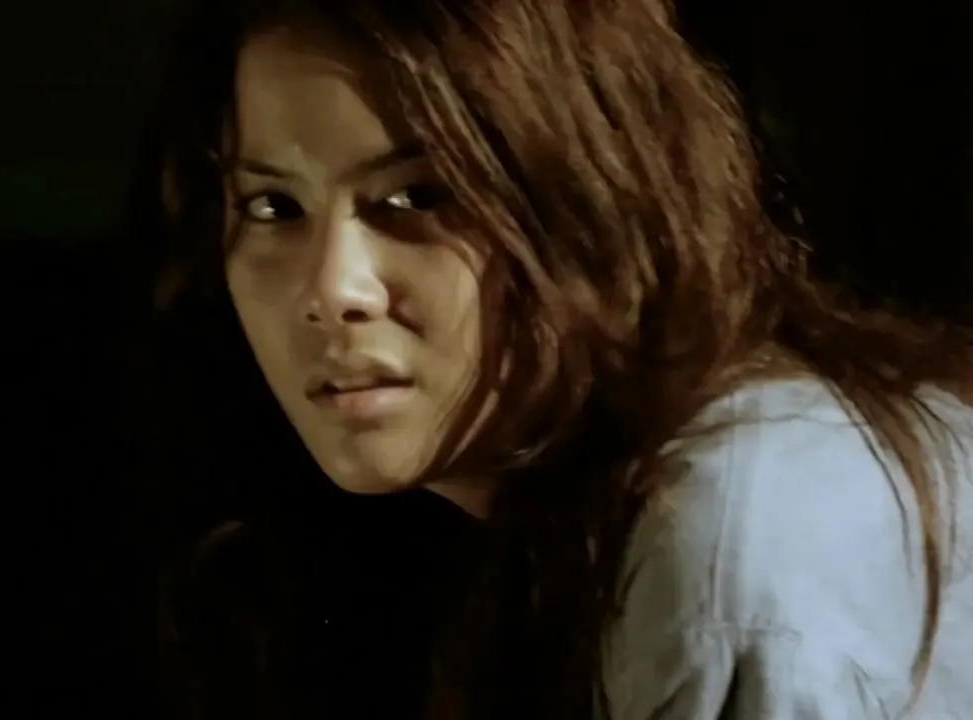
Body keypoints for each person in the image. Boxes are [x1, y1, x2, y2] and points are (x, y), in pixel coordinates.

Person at [151, 0, 973, 717]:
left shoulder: (731, 538)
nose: (334, 289)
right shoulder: (572, 518)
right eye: (273, 206)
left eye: (418, 196)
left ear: (590, 193)